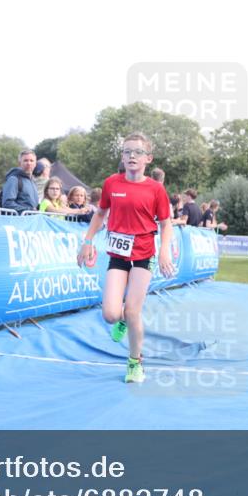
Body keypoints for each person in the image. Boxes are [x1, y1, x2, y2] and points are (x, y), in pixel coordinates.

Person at [77, 132, 173, 384]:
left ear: (148, 159)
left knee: (133, 310)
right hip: (118, 255)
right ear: (122, 156)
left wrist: (164, 250)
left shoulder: (156, 189)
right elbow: (100, 214)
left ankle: (134, 362)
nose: (132, 156)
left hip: (143, 255)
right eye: (127, 151)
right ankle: (121, 319)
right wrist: (87, 240)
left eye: (138, 152)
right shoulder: (112, 183)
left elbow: (166, 223)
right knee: (110, 314)